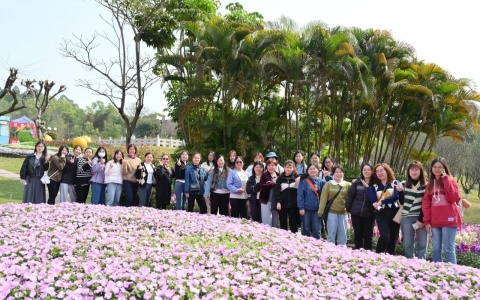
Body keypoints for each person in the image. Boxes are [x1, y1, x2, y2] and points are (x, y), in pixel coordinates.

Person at [422, 157, 462, 264]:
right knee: (436, 250)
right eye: (435, 167)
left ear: (445, 168)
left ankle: (454, 274)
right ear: (431, 169)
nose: (437, 169)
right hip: (435, 221)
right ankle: (438, 274)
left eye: (440, 167)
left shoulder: (451, 181)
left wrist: (446, 180)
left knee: (448, 249)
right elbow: (426, 204)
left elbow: (453, 198)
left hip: (449, 219)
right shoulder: (429, 184)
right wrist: (427, 221)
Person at [397, 161, 428, 259]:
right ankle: (409, 265)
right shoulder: (403, 184)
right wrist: (400, 192)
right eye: (412, 169)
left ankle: (421, 263)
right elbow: (401, 202)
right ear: (408, 171)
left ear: (420, 171)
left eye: (416, 169)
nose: (414, 172)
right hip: (406, 217)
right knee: (408, 243)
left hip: (421, 217)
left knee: (422, 243)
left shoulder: (426, 186)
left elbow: (426, 203)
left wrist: (421, 219)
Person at [367, 163, 400, 254]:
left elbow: (396, 196)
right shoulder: (375, 186)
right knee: (385, 236)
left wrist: (382, 202)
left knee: (393, 239)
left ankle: (389, 259)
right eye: (377, 171)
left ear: (387, 171)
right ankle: (378, 256)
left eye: (381, 170)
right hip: (381, 213)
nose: (379, 173)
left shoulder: (395, 183)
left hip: (394, 212)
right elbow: (373, 199)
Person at [319, 165, 351, 245]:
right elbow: (323, 199)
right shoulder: (328, 184)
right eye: (336, 172)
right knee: (331, 233)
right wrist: (321, 212)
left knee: (343, 234)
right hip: (332, 213)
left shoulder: (347, 185)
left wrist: (349, 209)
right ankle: (330, 252)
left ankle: (342, 252)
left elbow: (351, 198)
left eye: (340, 172)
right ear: (333, 173)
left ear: (343, 173)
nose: (339, 174)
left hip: (343, 213)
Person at [345, 164, 375, 250]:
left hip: (369, 214)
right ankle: (358, 255)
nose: (366, 172)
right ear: (362, 171)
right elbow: (350, 195)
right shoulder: (357, 183)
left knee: (368, 237)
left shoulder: (375, 184)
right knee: (358, 235)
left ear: (372, 171)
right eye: (364, 170)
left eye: (369, 170)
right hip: (356, 213)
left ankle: (368, 256)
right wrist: (348, 208)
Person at [297, 163, 326, 239]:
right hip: (306, 209)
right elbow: (300, 195)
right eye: (310, 169)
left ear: (318, 170)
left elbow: (328, 191)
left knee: (317, 229)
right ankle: (306, 247)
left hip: (317, 210)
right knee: (306, 229)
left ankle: (317, 247)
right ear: (307, 171)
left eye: (314, 168)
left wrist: (327, 176)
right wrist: (301, 207)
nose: (312, 170)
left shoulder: (321, 181)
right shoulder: (303, 181)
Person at [274, 160, 299, 233]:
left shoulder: (296, 177)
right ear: (284, 168)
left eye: (290, 167)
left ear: (293, 168)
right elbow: (276, 191)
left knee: (294, 225)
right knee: (283, 224)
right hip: (283, 205)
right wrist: (278, 202)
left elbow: (306, 175)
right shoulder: (280, 178)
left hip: (293, 205)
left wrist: (299, 178)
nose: (289, 169)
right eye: (287, 167)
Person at [259, 158, 280, 226]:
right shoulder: (264, 175)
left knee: (275, 219)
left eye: (273, 165)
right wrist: (273, 183)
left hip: (276, 200)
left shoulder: (279, 175)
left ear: (276, 166)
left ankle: (274, 233)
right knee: (266, 220)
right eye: (269, 165)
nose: (271, 167)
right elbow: (262, 185)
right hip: (266, 200)